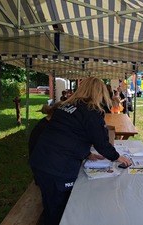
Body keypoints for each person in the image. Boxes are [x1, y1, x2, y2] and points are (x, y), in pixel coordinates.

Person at [29, 77, 131, 225]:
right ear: (100, 93)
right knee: (60, 210)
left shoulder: (66, 106)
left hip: (41, 161)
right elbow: (102, 143)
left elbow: (67, 136)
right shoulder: (92, 111)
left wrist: (87, 154)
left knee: (51, 206)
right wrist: (118, 157)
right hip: (57, 169)